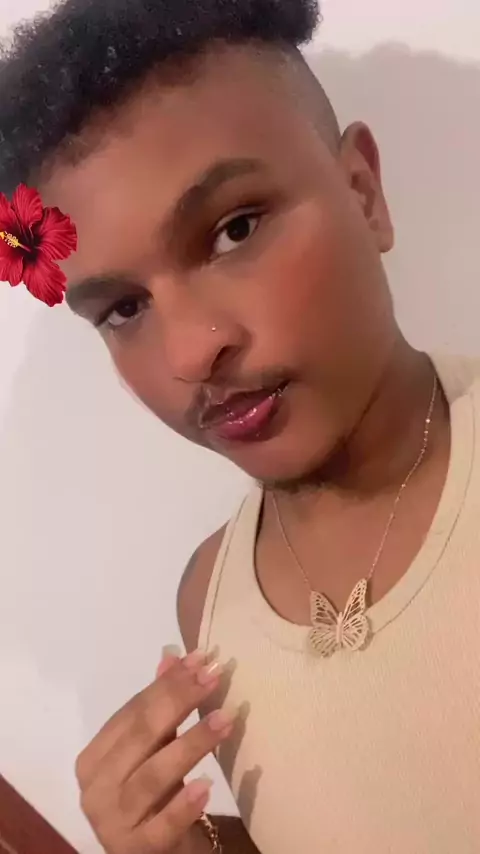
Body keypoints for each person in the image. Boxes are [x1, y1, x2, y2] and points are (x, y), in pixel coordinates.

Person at [1, 0, 479, 851]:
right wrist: (194, 843)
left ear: (364, 193)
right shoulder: (210, 602)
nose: (192, 351)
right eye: (124, 309)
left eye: (235, 230)